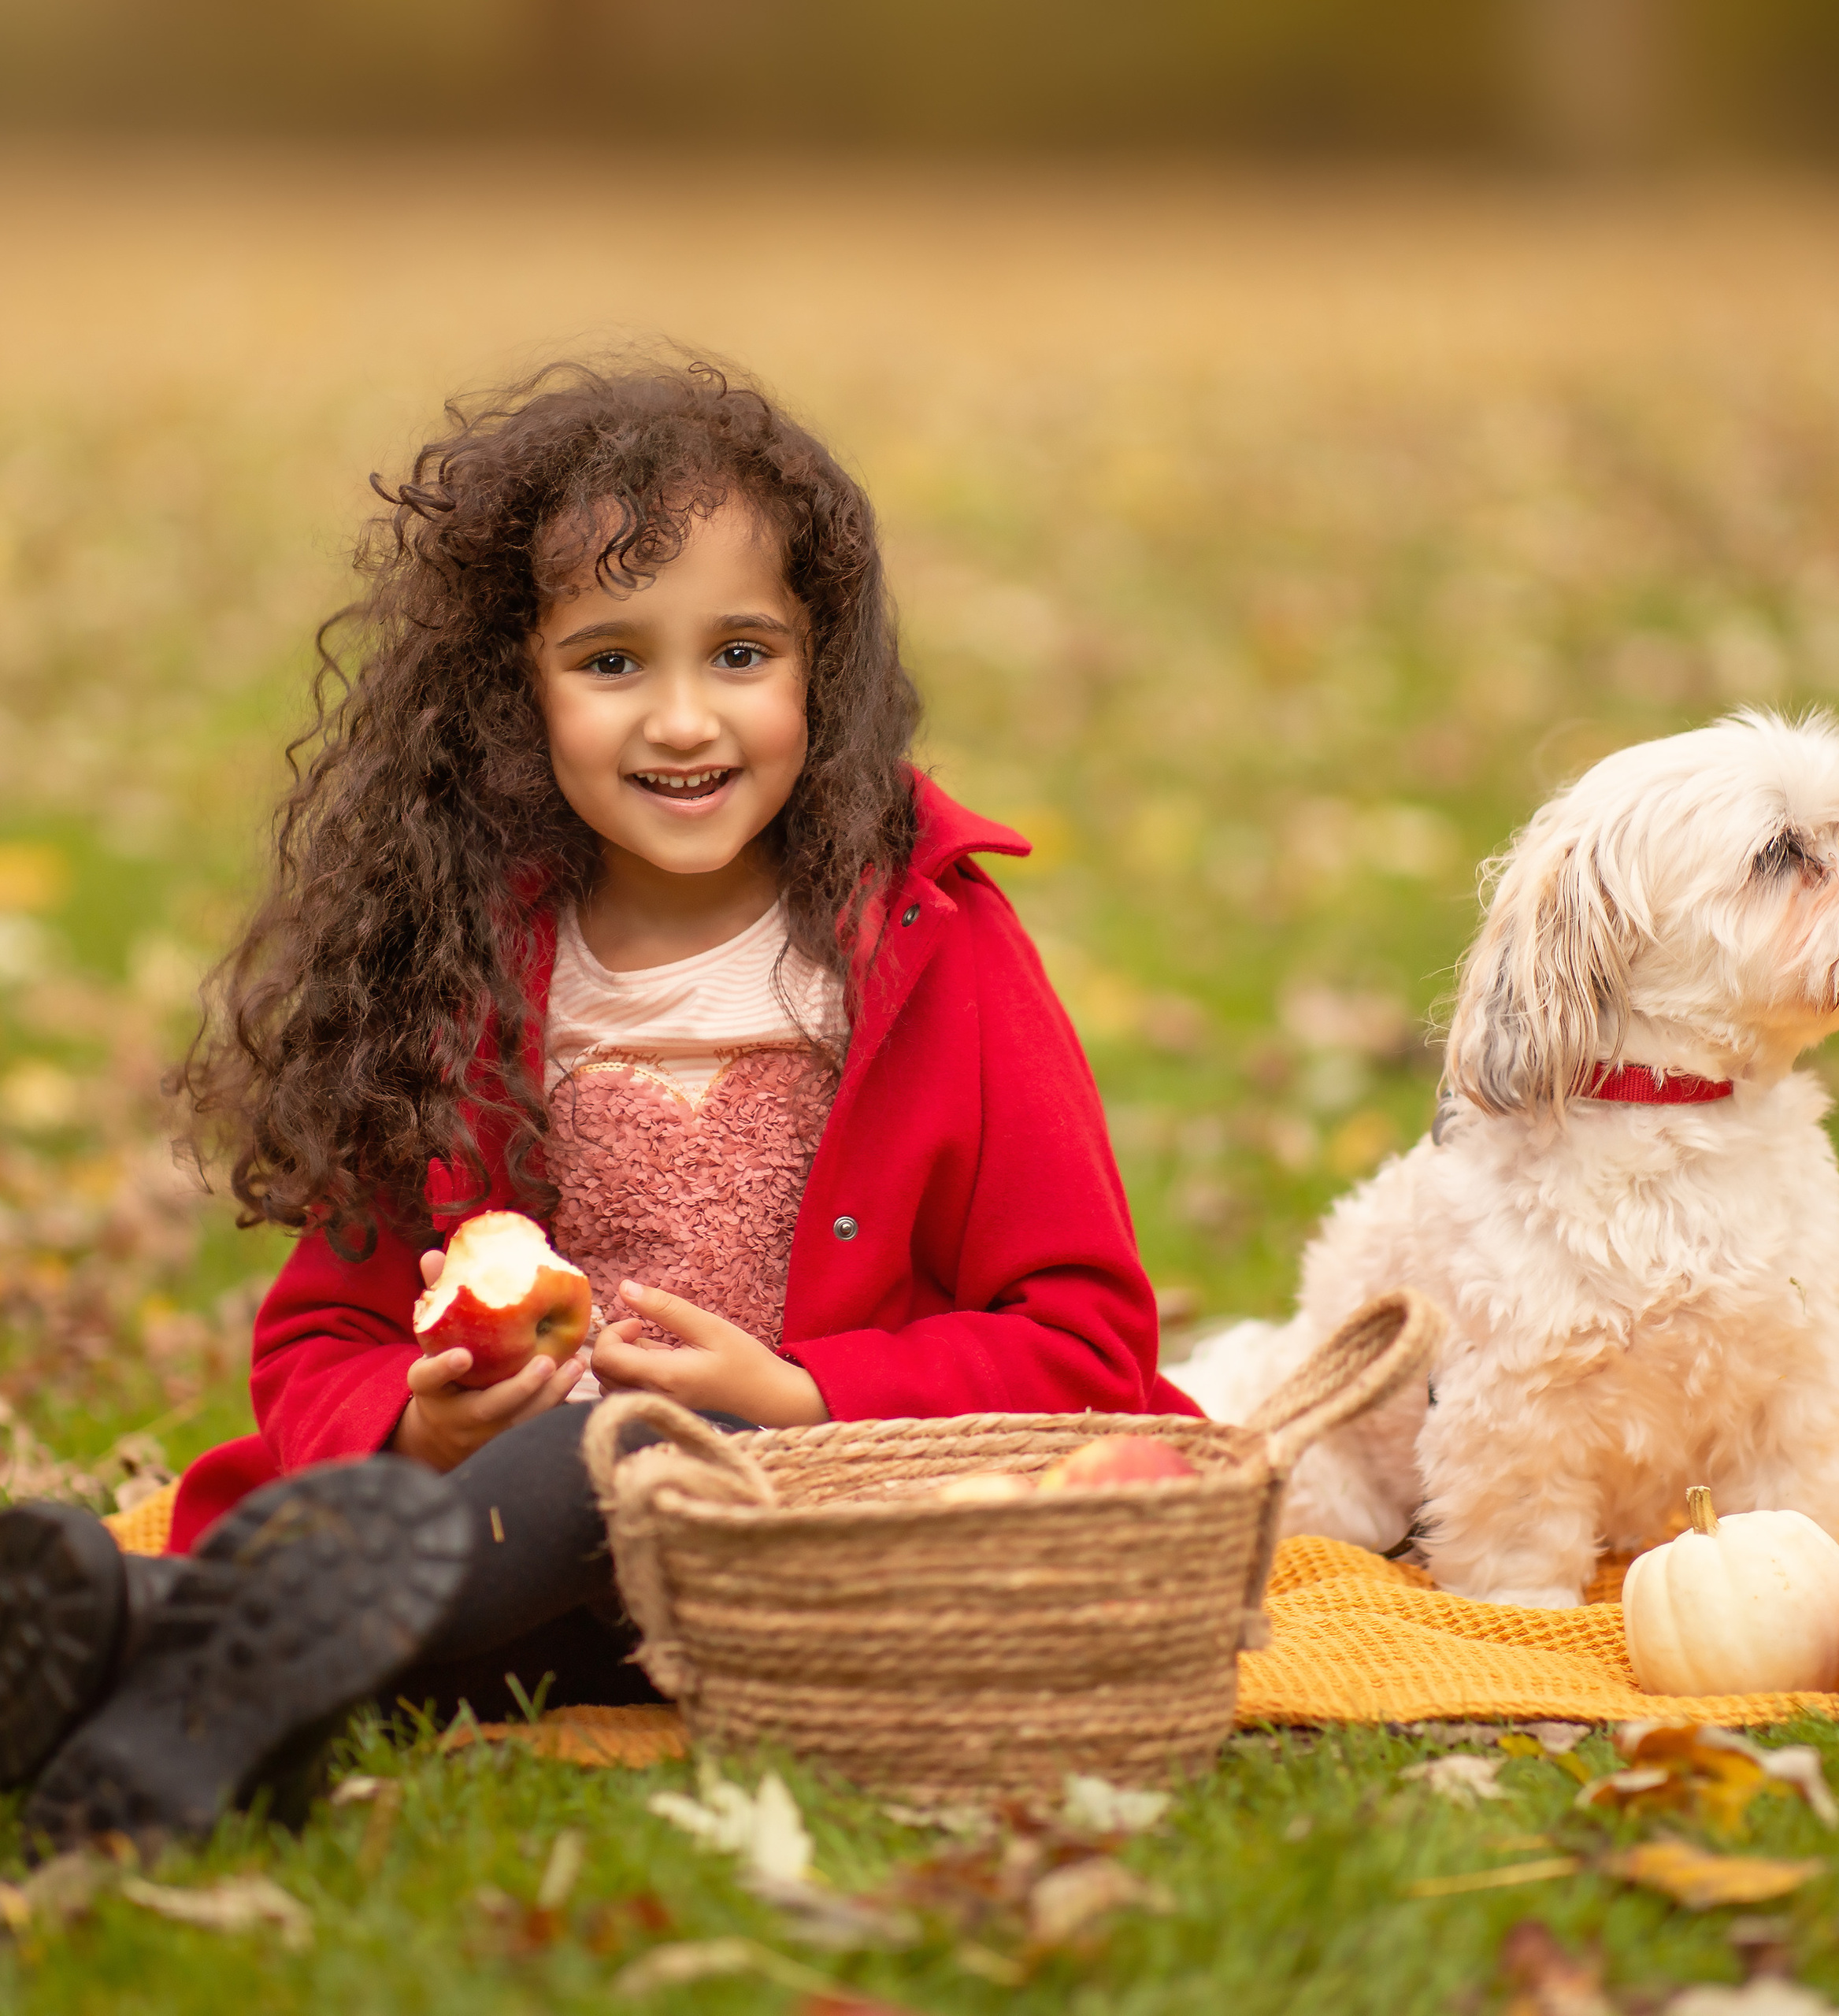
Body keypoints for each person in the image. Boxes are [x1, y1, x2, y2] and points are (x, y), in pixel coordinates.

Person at [0, 354, 1196, 1849]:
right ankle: (209, 1698)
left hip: (808, 1556)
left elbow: (1086, 1338)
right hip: (513, 1572)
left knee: (623, 1451)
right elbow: (323, 1339)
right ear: (518, 689)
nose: (684, 720)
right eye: (613, 661)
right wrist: (415, 1432)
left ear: (826, 667)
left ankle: (161, 1641)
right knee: (560, 1494)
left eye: (743, 654)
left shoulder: (937, 950)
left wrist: (799, 1395)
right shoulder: (456, 970)